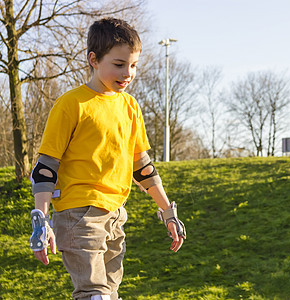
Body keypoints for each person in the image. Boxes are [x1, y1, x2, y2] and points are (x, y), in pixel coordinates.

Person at [29, 18, 186, 300]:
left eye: (133, 65)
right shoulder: (72, 104)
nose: (128, 73)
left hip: (115, 215)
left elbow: (143, 167)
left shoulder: (130, 107)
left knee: (110, 295)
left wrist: (168, 213)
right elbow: (45, 169)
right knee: (95, 295)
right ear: (93, 59)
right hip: (79, 214)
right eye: (119, 64)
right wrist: (41, 221)